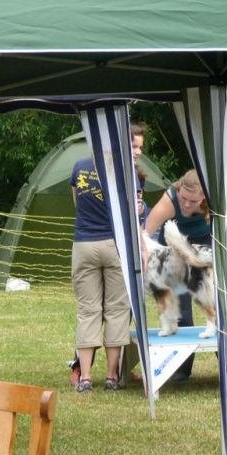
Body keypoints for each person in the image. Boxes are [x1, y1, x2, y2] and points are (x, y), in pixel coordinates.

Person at [69, 123, 144, 392]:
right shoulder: (127, 171)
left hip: (84, 244)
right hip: (115, 245)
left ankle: (86, 377)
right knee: (116, 311)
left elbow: (77, 203)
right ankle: (112, 377)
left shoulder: (79, 167)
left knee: (88, 311)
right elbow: (134, 211)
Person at [144, 169, 210, 382]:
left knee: (217, 303)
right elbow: (144, 234)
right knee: (182, 310)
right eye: (183, 198)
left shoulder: (215, 200)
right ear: (178, 189)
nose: (187, 204)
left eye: (193, 201)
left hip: (207, 246)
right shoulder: (169, 200)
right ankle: (181, 368)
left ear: (204, 196)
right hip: (174, 252)